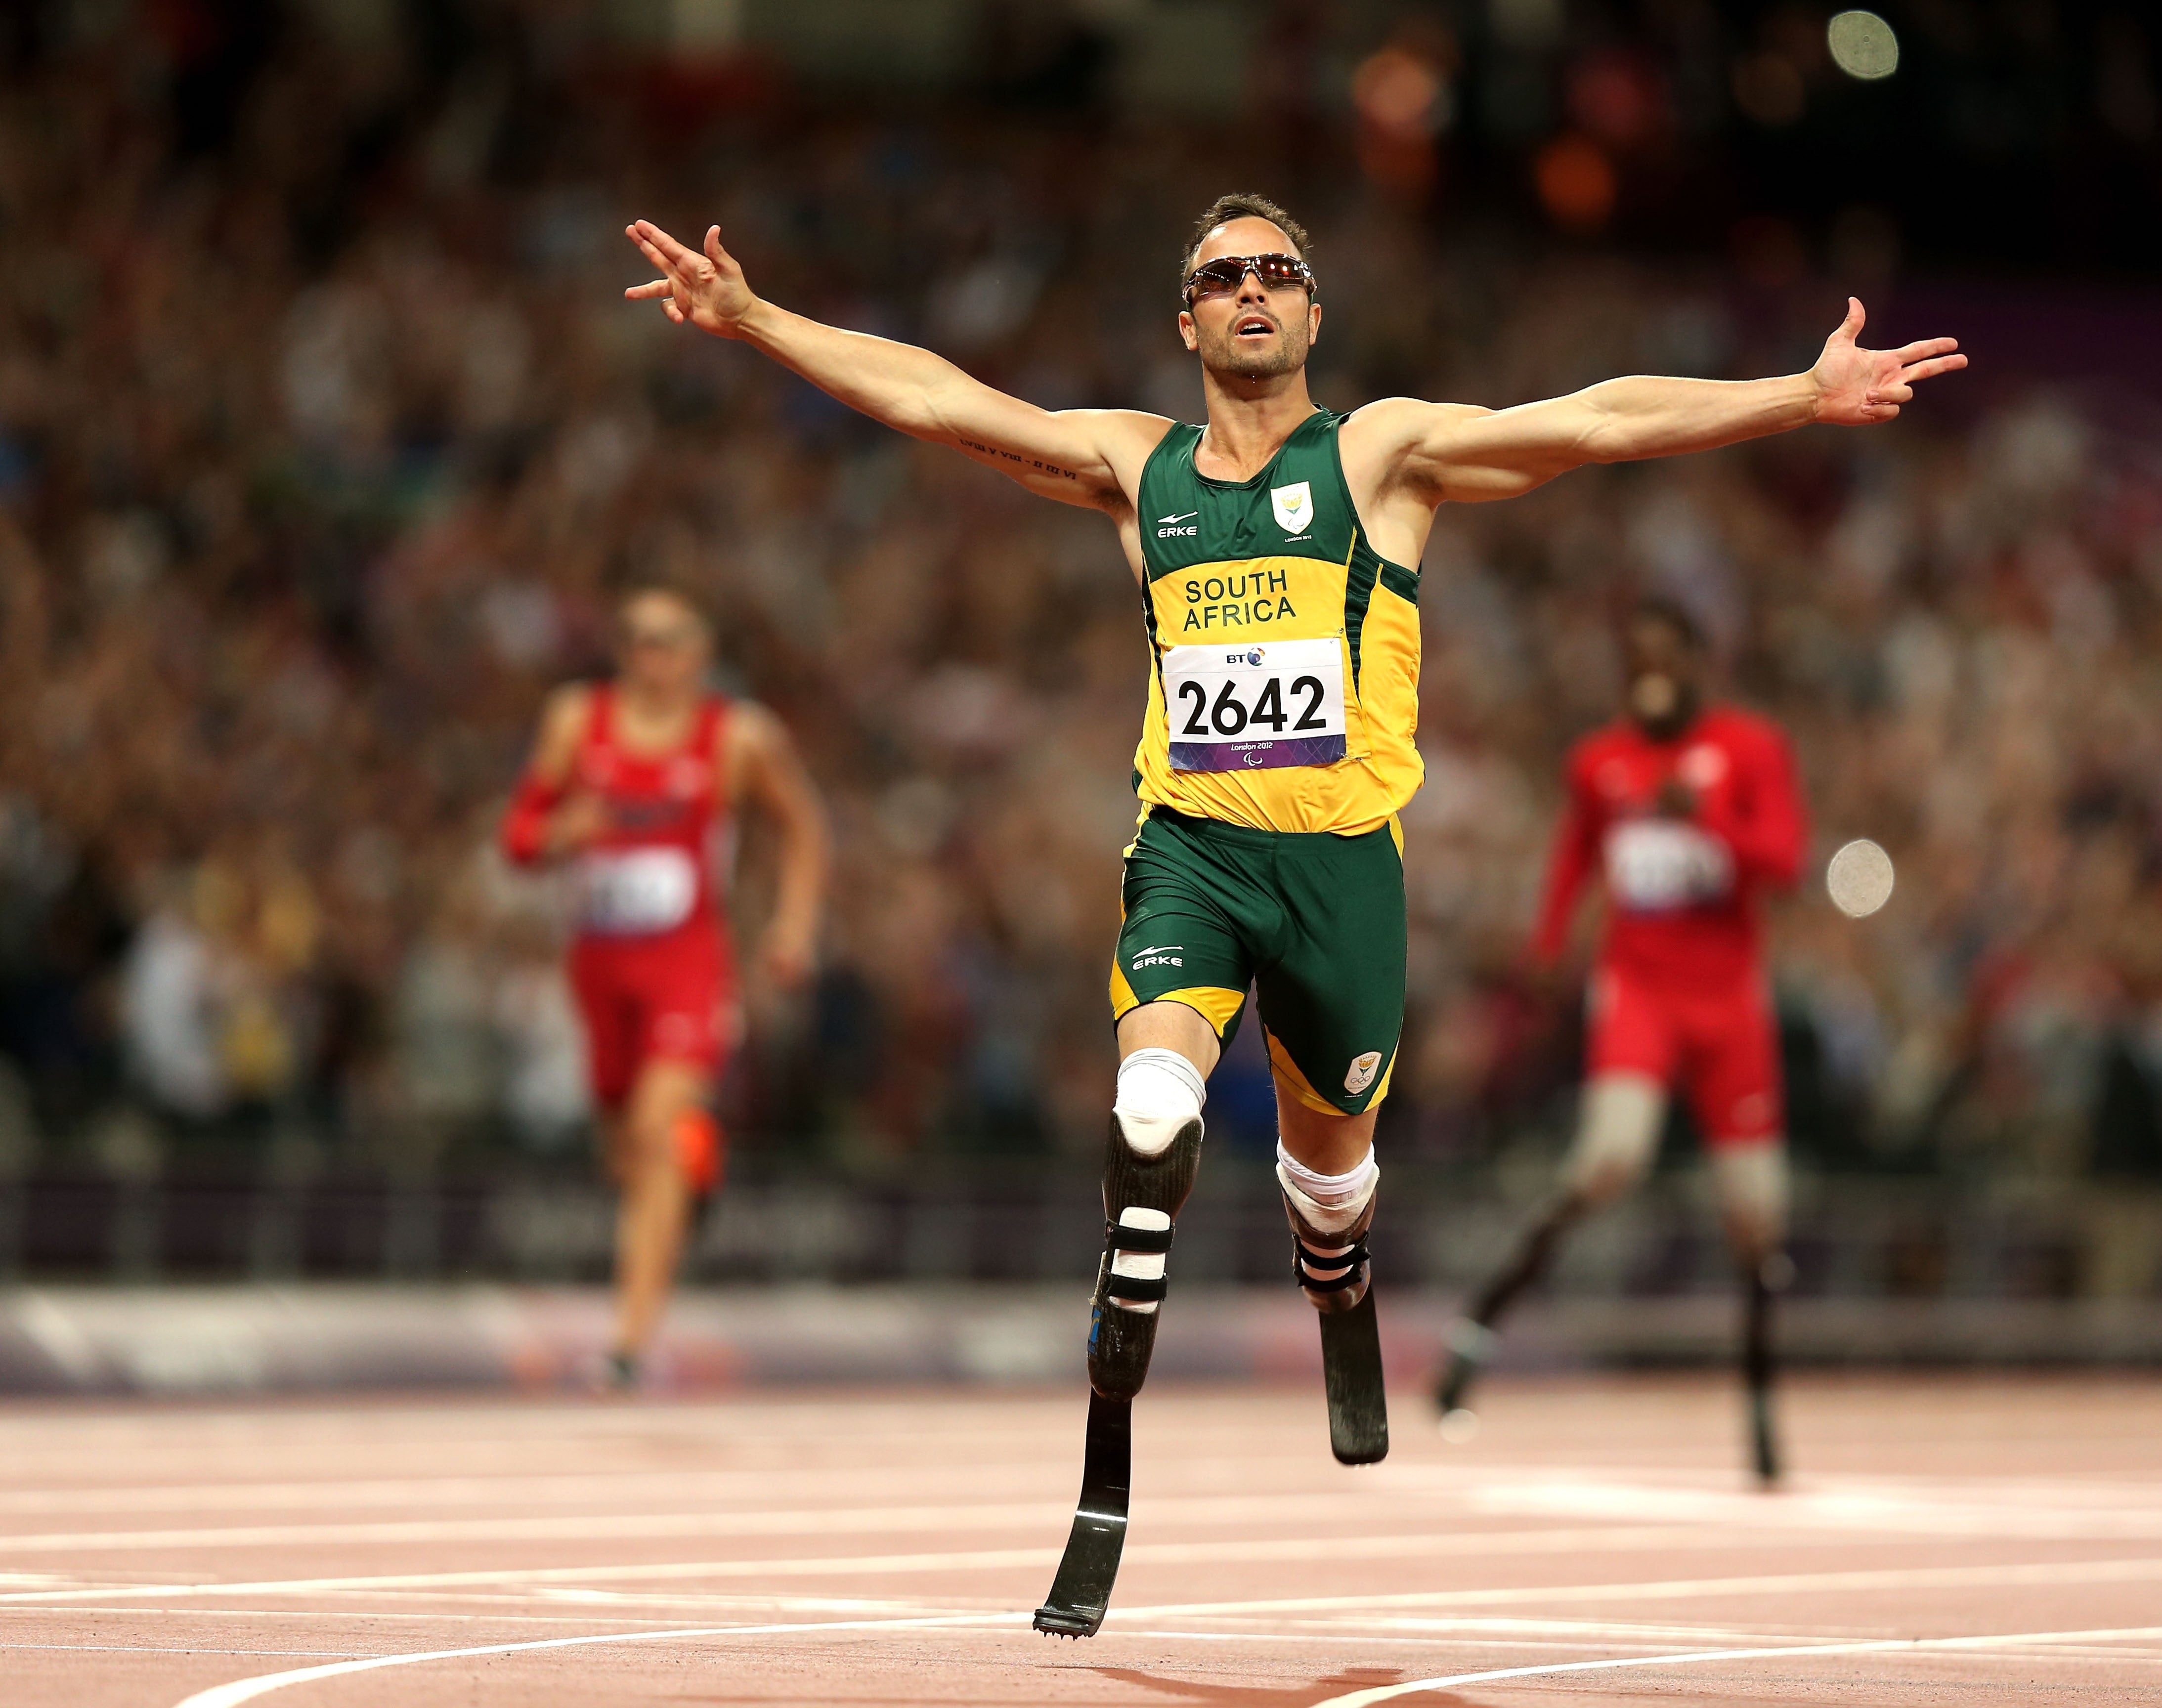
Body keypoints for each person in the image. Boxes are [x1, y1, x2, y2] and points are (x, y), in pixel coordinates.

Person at [620, 192, 1960, 1629]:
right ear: (1186, 319)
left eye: (1277, 272)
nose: (1251, 289)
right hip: (1192, 855)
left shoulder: (1380, 457)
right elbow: (942, 401)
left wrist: (1795, 395)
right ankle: (1107, 1449)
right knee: (1151, 1115)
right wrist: (757, 318)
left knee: (1331, 1181)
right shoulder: (1136, 469)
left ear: (1314, 311)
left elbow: (1594, 421)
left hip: (1342, 879)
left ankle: (1340, 1271)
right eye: (1223, 276)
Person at [1432, 599, 1807, 1480]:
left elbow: (1787, 861)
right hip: (1639, 990)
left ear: (1698, 667)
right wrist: (1547, 947)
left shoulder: (1749, 748)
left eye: (1668, 661)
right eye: (1637, 663)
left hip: (1728, 1002)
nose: (1652, 679)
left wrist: (1707, 819)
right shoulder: (1600, 763)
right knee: (1608, 1159)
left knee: (1757, 1211)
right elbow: (1575, 855)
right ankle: (1482, 1322)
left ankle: (1760, 1399)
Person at [500, 587, 829, 1389]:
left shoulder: (737, 736)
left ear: (701, 653)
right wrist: (560, 832)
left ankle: (628, 1344)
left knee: (655, 1131)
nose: (654, 656)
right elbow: (518, 838)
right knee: (625, 1152)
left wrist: (793, 926)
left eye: (671, 640)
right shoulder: (576, 721)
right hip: (600, 969)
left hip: (687, 965)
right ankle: (696, 1167)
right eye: (639, 639)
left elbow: (804, 825)